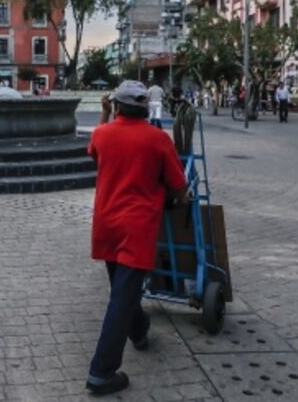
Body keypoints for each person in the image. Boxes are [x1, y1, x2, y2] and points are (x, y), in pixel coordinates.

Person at [86, 81, 188, 395]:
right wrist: (177, 201)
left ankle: (140, 331)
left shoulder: (101, 134)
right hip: (137, 227)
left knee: (123, 290)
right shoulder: (157, 140)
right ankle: (102, 372)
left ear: (116, 105)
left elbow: (93, 153)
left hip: (106, 224)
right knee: (122, 296)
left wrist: (104, 115)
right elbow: (178, 185)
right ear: (145, 107)